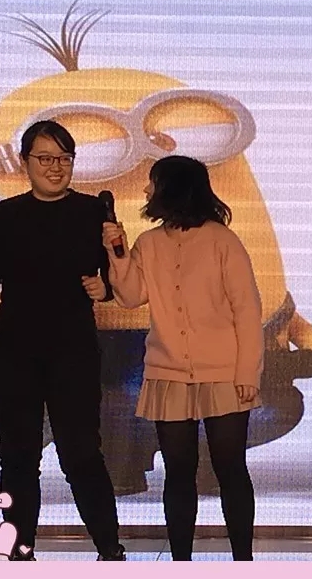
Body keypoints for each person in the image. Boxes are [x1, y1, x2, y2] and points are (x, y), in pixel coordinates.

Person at [0, 120, 126, 561]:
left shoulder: (94, 212)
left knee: (81, 453)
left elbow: (119, 279)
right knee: (18, 457)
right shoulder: (4, 215)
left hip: (73, 352)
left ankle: (110, 550)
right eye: (45, 158)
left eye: (64, 158)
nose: (55, 167)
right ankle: (20, 552)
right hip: (13, 353)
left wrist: (106, 287)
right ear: (25, 162)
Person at [102, 155, 262, 561]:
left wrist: (247, 372)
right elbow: (131, 296)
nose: (146, 190)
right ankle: (180, 561)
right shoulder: (149, 242)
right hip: (168, 370)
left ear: (173, 187)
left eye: (152, 182)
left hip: (225, 372)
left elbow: (247, 310)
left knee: (230, 468)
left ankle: (243, 558)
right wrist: (117, 255)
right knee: (178, 472)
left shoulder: (223, 241)